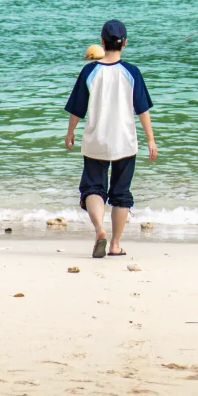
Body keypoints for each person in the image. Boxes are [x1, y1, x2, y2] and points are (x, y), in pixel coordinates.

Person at [64, 18, 157, 258]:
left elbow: (77, 109)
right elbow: (142, 110)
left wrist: (70, 132)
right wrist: (150, 139)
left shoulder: (89, 71)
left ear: (102, 42)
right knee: (121, 193)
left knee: (93, 188)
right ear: (124, 43)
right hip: (125, 142)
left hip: (95, 141)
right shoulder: (132, 72)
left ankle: (99, 229)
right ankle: (115, 244)